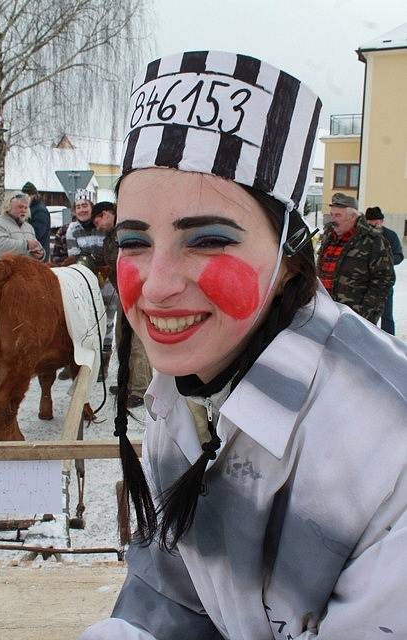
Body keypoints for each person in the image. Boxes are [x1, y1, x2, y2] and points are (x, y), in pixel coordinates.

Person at [80, 51, 407, 640]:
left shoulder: (391, 451)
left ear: (286, 258)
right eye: (134, 242)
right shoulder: (183, 391)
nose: (155, 287)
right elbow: (170, 601)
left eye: (206, 239)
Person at [91, 201, 152, 407]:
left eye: (98, 219)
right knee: (121, 339)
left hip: (139, 293)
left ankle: (141, 388)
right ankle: (127, 382)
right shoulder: (110, 236)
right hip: (123, 294)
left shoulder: (127, 230)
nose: (97, 225)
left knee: (136, 342)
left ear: (107, 213)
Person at [63, 191, 118, 381]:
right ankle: (79, 361)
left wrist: (103, 267)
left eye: (85, 205)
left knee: (107, 323)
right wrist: (93, 265)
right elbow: (75, 255)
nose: (82, 210)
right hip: (85, 282)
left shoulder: (101, 225)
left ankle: (103, 362)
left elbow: (110, 250)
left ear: (91, 207)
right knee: (82, 321)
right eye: (78, 207)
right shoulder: (73, 229)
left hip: (107, 282)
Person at [317, 192, 394, 323]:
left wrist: (365, 315)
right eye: (332, 215)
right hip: (325, 312)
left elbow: (384, 280)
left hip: (355, 317)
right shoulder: (328, 236)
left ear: (352, 216)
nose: (333, 220)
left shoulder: (372, 241)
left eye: (338, 215)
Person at [365, 206, 404, 335]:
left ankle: (389, 342)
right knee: (367, 316)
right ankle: (368, 339)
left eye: (377, 221)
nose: (374, 225)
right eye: (371, 223)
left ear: (382, 221)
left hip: (385, 282)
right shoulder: (362, 236)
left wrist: (384, 260)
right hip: (365, 282)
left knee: (387, 315)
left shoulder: (390, 235)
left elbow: (399, 256)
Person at [0, 192, 44, 263]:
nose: (24, 210)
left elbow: (36, 245)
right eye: (20, 207)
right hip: (3, 272)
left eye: (26, 207)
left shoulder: (28, 227)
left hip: (25, 272)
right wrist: (26, 245)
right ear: (8, 207)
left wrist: (41, 254)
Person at [21, 181, 51, 261]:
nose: (25, 198)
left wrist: (23, 242)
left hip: (39, 254)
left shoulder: (40, 211)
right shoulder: (30, 208)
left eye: (27, 195)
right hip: (33, 254)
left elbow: (37, 233)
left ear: (33, 195)